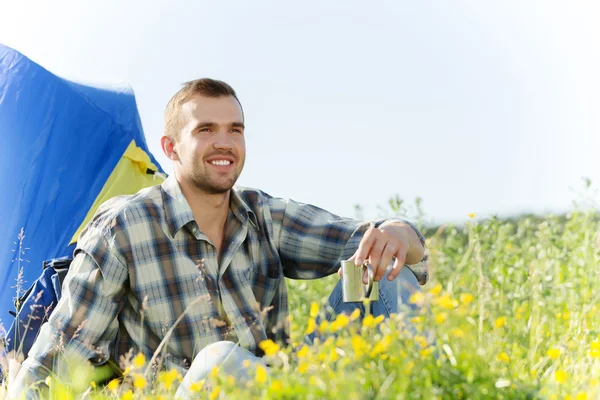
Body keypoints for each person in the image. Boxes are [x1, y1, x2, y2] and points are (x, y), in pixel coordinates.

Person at [10, 78, 428, 399]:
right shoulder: (123, 228)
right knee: (219, 360)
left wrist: (395, 232)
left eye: (235, 129)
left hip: (282, 385)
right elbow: (53, 363)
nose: (224, 143)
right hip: (190, 389)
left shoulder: (263, 213)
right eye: (206, 130)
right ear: (171, 148)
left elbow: (373, 241)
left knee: (389, 274)